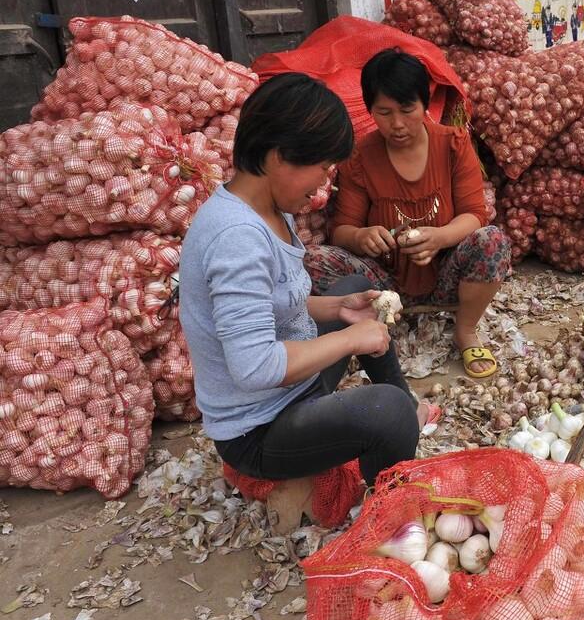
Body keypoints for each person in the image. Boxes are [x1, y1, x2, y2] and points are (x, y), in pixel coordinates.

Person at [180, 73, 428, 510]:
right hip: (258, 429)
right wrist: (350, 339)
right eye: (321, 168)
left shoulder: (271, 210)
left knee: (358, 292)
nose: (323, 185)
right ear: (279, 157)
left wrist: (340, 308)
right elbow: (254, 367)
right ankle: (388, 513)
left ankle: (406, 409)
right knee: (387, 413)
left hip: (292, 391)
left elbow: (276, 304)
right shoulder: (236, 238)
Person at [305, 50, 511, 379]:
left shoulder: (453, 145)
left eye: (407, 109)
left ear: (425, 104)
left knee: (492, 241)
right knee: (314, 259)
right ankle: (373, 324)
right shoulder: (361, 156)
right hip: (382, 284)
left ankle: (466, 331)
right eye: (384, 112)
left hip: (447, 275)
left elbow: (474, 215)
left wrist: (439, 237)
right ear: (370, 109)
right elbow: (342, 230)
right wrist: (362, 236)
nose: (397, 124)